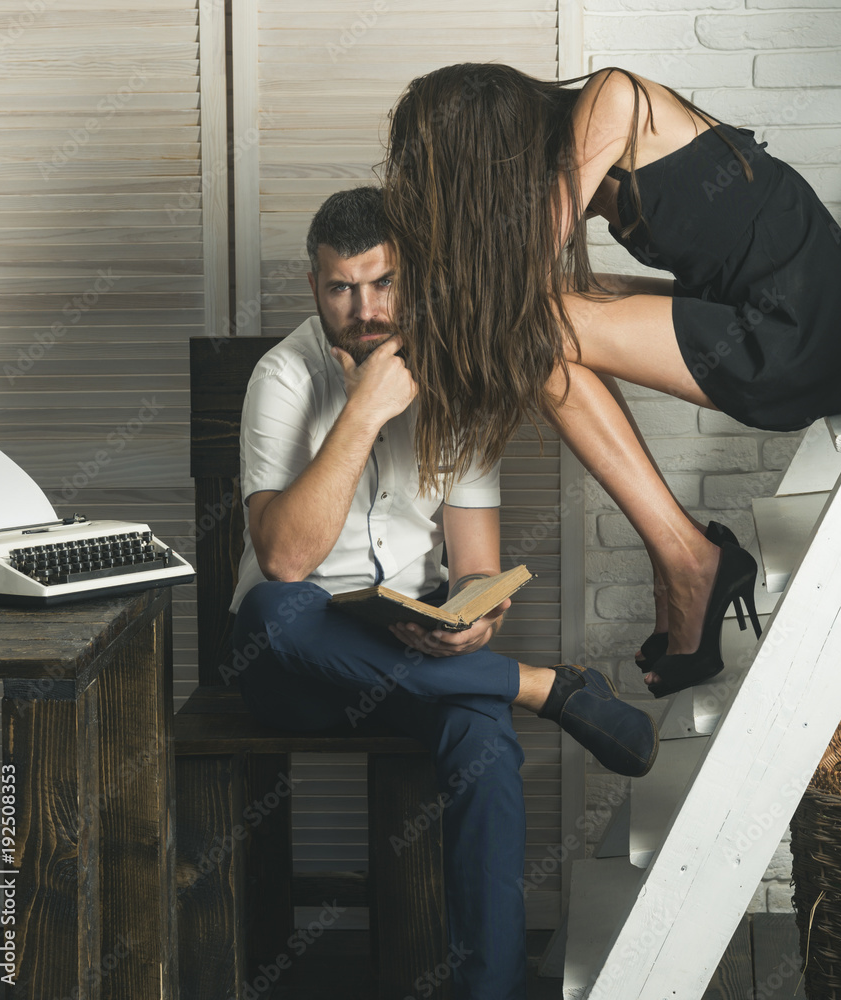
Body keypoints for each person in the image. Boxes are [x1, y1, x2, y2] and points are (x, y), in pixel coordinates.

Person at [228, 186, 658, 1000]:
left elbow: (474, 568)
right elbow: (284, 558)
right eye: (340, 289)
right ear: (313, 286)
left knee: (486, 746)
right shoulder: (283, 377)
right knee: (274, 613)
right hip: (296, 665)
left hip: (416, 651)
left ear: (414, 276)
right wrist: (363, 413)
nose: (364, 309)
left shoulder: (459, 385)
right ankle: (545, 688)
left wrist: (475, 618)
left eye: (383, 282)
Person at [381, 63, 841, 698]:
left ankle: (689, 562)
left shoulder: (613, 99)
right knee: (553, 320)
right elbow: (688, 281)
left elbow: (518, 286)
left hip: (809, 337)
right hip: (777, 328)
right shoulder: (585, 162)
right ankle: (681, 560)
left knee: (533, 330)